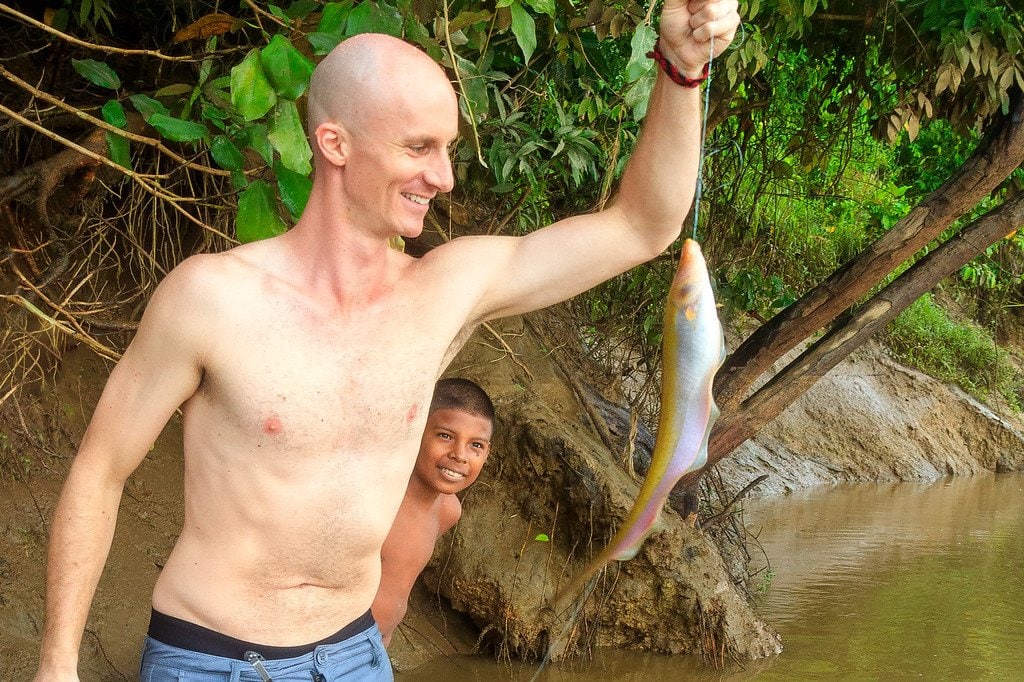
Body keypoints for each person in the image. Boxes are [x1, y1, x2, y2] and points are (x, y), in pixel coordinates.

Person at [34, 2, 740, 680]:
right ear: (335, 143)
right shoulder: (211, 298)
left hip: (354, 655)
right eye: (419, 147)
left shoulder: (447, 288)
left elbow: (643, 225)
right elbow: (100, 470)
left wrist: (682, 70)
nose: (445, 176)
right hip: (212, 658)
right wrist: (58, 665)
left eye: (449, 149)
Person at [372, 378, 494, 648]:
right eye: (445, 436)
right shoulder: (377, 498)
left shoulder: (448, 511)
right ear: (415, 432)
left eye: (476, 445)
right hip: (327, 650)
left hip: (375, 650)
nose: (460, 455)